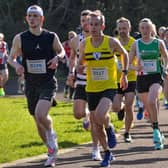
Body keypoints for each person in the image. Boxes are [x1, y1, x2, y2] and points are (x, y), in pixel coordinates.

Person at [8, 5, 65, 167]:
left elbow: (61, 52)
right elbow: (11, 57)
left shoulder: (50, 36)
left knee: (41, 115)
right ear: (26, 18)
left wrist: (57, 59)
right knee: (37, 120)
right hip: (30, 84)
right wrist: (16, 66)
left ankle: (51, 134)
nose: (32, 18)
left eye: (35, 16)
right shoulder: (20, 38)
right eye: (29, 16)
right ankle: (51, 150)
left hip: (47, 82)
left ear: (41, 19)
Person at [78, 10, 128, 167]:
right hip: (91, 87)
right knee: (96, 125)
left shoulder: (111, 42)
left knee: (100, 114)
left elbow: (125, 54)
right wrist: (79, 68)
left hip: (108, 86)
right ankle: (107, 153)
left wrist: (124, 74)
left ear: (103, 26)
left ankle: (110, 126)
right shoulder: (84, 44)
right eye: (90, 24)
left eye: (96, 24)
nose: (93, 27)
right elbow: (81, 62)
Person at [68, 10, 102, 161]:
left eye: (87, 21)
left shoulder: (99, 39)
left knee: (96, 119)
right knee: (77, 113)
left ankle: (96, 149)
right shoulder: (75, 41)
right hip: (81, 81)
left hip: (97, 82)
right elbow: (72, 58)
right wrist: (71, 73)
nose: (85, 24)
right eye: (82, 21)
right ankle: (87, 115)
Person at [129, 18, 168, 150]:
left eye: (147, 28)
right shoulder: (136, 44)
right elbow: (129, 65)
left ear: (152, 29)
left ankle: (156, 132)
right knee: (150, 110)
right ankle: (158, 132)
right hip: (142, 79)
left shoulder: (158, 43)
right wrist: (136, 68)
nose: (145, 30)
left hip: (156, 77)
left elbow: (166, 58)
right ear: (140, 29)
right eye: (142, 28)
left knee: (152, 101)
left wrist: (166, 69)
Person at [113, 17, 136, 143]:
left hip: (131, 78)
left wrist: (135, 67)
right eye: (120, 28)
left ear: (129, 28)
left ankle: (127, 132)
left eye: (125, 28)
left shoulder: (134, 43)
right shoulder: (114, 42)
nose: (122, 31)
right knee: (116, 107)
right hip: (116, 79)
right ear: (117, 29)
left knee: (129, 105)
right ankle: (120, 108)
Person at [62, 31, 77, 100]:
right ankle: (68, 93)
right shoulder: (65, 44)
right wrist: (62, 58)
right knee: (71, 77)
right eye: (70, 37)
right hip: (70, 63)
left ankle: (69, 92)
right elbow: (59, 50)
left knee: (73, 79)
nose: (71, 38)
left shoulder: (78, 43)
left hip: (77, 63)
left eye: (73, 37)